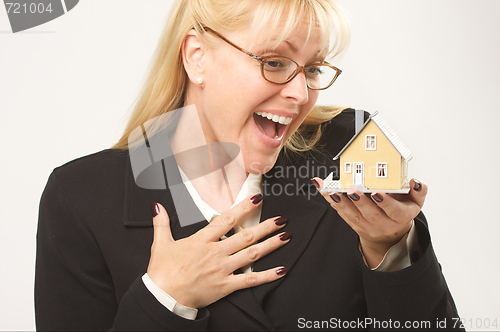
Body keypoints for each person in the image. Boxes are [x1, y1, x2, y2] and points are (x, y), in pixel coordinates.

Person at [35, 0, 463, 330]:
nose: (300, 94)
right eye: (275, 62)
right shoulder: (81, 198)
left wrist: (391, 250)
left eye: (312, 69)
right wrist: (164, 299)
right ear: (197, 57)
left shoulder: (347, 154)